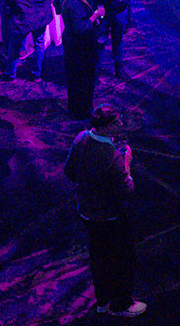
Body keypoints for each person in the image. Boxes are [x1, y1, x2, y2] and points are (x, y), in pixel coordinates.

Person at [65, 105, 148, 318]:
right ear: (103, 127)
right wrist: (126, 162)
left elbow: (70, 172)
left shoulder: (81, 137)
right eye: (115, 122)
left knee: (98, 257)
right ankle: (121, 305)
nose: (121, 124)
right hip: (110, 216)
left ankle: (102, 302)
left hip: (86, 210)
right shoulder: (112, 156)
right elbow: (127, 190)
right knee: (122, 258)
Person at [1, 0, 56, 80]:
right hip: (40, 18)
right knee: (39, 43)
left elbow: (7, 9)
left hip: (22, 21)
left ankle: (11, 74)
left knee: (14, 47)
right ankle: (37, 74)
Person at [59, 0, 102, 121]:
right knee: (83, 79)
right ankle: (82, 111)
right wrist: (95, 16)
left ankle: (77, 108)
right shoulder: (73, 4)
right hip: (79, 47)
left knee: (76, 79)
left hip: (74, 44)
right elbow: (80, 28)